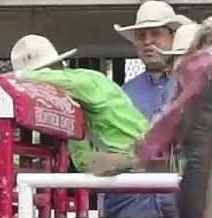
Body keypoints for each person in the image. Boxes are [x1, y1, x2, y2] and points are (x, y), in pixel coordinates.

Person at [9, 35, 151, 176]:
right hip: (130, 159)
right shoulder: (74, 101)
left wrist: (18, 77)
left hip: (139, 153)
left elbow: (61, 80)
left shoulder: (86, 82)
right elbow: (82, 161)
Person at [105, 1, 193, 218]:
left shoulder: (194, 83)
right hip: (136, 205)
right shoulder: (123, 94)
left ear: (173, 36)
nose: (148, 42)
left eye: (156, 34)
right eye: (141, 36)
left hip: (185, 201)